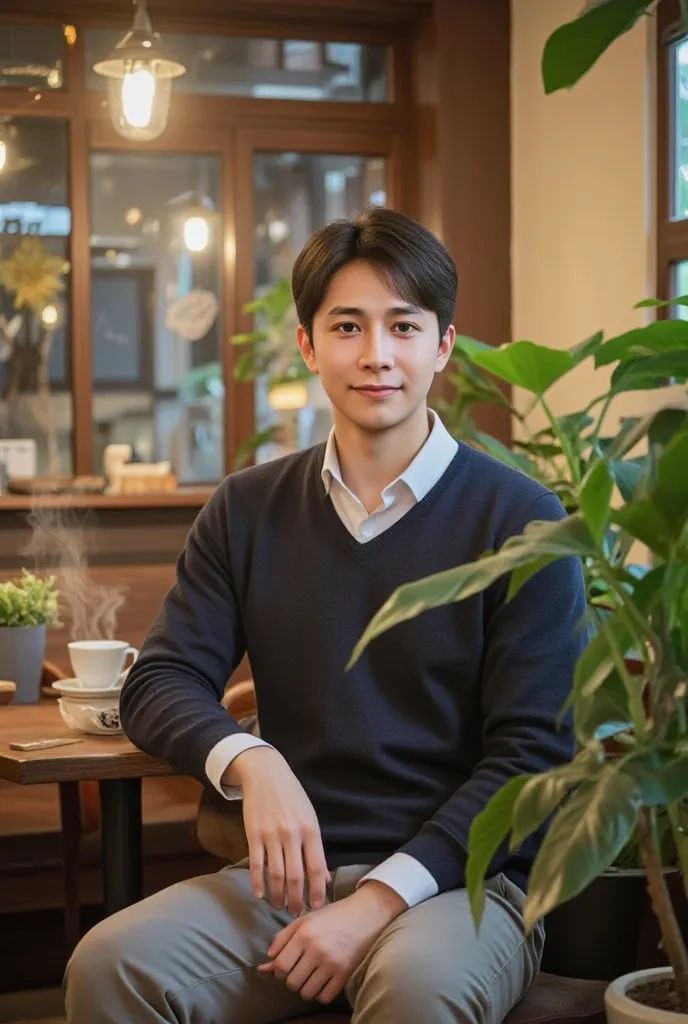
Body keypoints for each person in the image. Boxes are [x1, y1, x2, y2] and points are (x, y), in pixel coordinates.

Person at [64, 208, 587, 1024]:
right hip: (283, 888)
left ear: (442, 346)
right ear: (309, 346)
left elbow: (534, 759)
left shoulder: (522, 520)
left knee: (415, 991)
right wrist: (251, 760)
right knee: (111, 963)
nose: (376, 354)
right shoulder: (247, 509)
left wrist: (376, 901)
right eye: (347, 326)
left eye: (403, 327)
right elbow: (160, 681)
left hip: (460, 889)